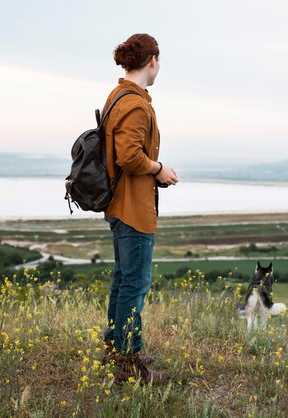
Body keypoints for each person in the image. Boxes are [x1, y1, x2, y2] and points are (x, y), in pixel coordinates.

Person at [101, 33, 178, 384]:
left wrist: (153, 171)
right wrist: (158, 168)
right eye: (158, 62)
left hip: (120, 203)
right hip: (133, 208)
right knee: (135, 284)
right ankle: (129, 364)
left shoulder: (118, 96)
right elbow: (129, 157)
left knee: (123, 280)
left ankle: (117, 347)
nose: (159, 67)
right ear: (152, 61)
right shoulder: (134, 103)